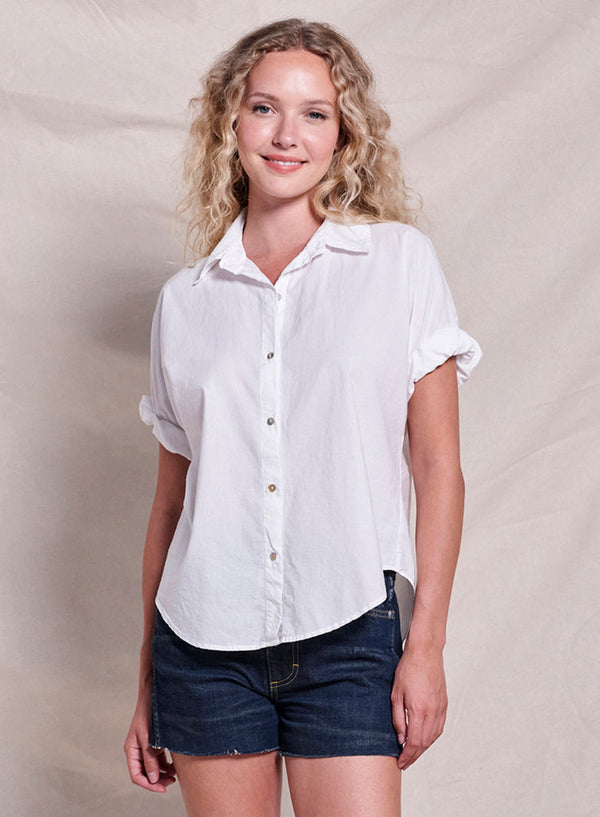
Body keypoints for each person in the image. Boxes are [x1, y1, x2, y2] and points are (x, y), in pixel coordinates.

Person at [124, 17, 482, 817]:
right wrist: (147, 679)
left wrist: (424, 645)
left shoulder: (398, 265)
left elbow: (438, 468)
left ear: (344, 134)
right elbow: (170, 505)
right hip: (202, 642)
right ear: (231, 124)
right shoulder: (185, 304)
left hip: (351, 629)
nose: (288, 135)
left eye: (315, 112)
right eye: (264, 108)